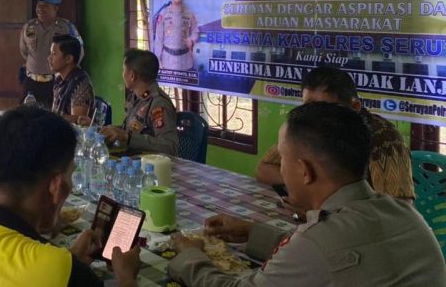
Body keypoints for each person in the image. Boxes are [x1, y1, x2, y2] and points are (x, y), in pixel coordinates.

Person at [169, 102, 445, 286]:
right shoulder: (406, 215)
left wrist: (190, 256)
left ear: (304, 171)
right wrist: (253, 233)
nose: (280, 167)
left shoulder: (318, 240)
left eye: (283, 158)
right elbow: (326, 256)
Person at [0, 106, 142, 287]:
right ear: (56, 187)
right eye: (70, 175)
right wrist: (126, 278)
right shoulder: (55, 269)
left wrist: (70, 260)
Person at [255, 66, 415, 203]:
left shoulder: (384, 139)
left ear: (354, 107)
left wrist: (324, 200)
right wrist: (308, 183)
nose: (315, 117)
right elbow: (264, 170)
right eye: (308, 107)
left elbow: (400, 208)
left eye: (326, 110)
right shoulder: (306, 128)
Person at [100, 49, 179, 155]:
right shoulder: (136, 98)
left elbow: (169, 147)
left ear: (132, 76)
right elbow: (130, 130)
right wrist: (102, 130)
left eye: (123, 70)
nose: (122, 74)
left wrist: (127, 137)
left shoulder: (158, 104)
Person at [20, 0, 83, 108]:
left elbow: (79, 52)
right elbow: (24, 51)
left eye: (45, 6)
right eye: (39, 5)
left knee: (53, 115)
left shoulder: (66, 27)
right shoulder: (29, 26)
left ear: (56, 8)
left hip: (56, 82)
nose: (40, 9)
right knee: (25, 115)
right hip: (31, 83)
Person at [152, 0, 199, 71]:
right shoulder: (163, 13)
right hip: (167, 59)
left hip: (185, 60)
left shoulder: (189, 13)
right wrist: (157, 58)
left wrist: (192, 40)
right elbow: (158, 37)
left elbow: (195, 31)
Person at [49, 34, 95, 125]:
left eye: (54, 54)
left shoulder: (80, 83)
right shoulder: (59, 80)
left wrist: (50, 118)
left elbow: (79, 121)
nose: (49, 58)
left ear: (68, 59)